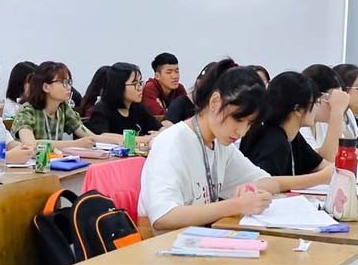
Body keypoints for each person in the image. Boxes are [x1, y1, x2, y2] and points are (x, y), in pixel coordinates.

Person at [138, 59, 333, 233]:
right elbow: (164, 217)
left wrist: (254, 190)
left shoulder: (220, 144)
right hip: (163, 250)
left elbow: (266, 180)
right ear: (215, 102)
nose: (242, 132)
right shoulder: (173, 142)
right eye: (238, 120)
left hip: (199, 243)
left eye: (249, 124)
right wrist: (236, 205)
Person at [240, 72, 331, 176]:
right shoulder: (274, 141)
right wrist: (318, 178)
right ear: (297, 109)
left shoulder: (293, 137)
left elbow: (321, 166)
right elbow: (266, 182)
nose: (316, 108)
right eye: (314, 103)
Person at [11, 61, 98, 150]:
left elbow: (91, 137)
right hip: (31, 162)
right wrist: (75, 144)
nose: (68, 87)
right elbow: (30, 144)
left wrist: (111, 139)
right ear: (45, 87)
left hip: (54, 161)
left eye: (69, 82)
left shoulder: (63, 108)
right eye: (63, 82)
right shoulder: (27, 111)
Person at [86, 62, 163, 145]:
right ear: (119, 86)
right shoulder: (102, 109)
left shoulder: (137, 107)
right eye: (135, 84)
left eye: (140, 83)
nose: (140, 88)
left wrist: (161, 133)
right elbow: (103, 137)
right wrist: (144, 139)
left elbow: (159, 128)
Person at [300, 64, 352, 162]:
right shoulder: (300, 125)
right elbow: (327, 161)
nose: (336, 104)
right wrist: (337, 112)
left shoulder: (324, 122)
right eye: (333, 99)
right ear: (317, 97)